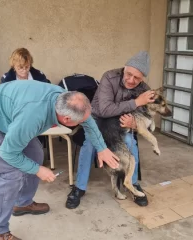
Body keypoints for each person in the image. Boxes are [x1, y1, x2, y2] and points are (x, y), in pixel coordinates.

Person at [0, 80, 120, 240]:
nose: (84, 122)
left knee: (35, 155)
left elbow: (88, 121)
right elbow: (8, 153)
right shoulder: (32, 117)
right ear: (66, 120)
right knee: (9, 175)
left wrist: (102, 148)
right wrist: (38, 170)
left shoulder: (67, 100)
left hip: (12, 116)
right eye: (79, 122)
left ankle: (22, 203)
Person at [66, 51, 156, 209]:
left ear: (143, 78)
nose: (131, 80)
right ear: (124, 68)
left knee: (130, 141)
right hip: (97, 119)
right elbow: (105, 110)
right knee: (90, 143)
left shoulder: (144, 89)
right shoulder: (109, 77)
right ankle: (79, 187)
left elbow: (148, 116)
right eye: (129, 74)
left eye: (137, 78)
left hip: (118, 124)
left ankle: (133, 185)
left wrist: (134, 123)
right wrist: (135, 102)